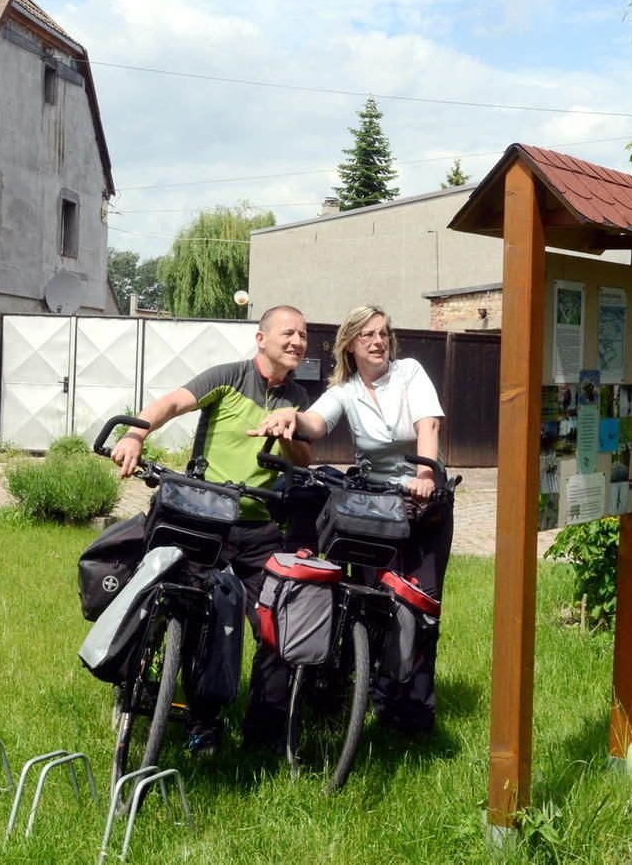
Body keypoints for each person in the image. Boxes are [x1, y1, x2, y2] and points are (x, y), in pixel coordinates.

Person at [110, 304, 312, 755]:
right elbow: (170, 404)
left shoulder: (298, 397)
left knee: (277, 625)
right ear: (261, 339)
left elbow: (304, 460)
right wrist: (135, 434)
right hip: (206, 520)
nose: (297, 341)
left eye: (303, 335)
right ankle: (201, 719)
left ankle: (262, 737)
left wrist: (287, 433)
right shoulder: (229, 376)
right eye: (288, 333)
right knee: (200, 615)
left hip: (260, 527)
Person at [253, 304, 451, 733]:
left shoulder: (409, 372)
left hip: (423, 500)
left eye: (383, 333)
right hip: (375, 505)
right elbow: (317, 423)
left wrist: (424, 475)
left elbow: (428, 425)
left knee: (421, 606)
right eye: (368, 336)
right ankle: (374, 697)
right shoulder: (346, 390)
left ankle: (415, 710)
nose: (378, 342)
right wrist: (292, 418)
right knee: (371, 601)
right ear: (350, 345)